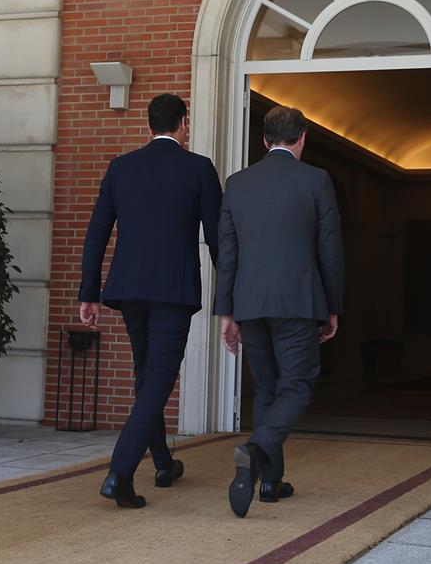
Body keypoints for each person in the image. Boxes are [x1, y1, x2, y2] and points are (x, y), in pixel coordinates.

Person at [79, 93, 222, 509]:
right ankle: (119, 473)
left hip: (128, 289)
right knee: (159, 380)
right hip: (173, 291)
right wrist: (233, 293)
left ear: (148, 126)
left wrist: (88, 293)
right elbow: (217, 238)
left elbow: (96, 233)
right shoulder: (198, 168)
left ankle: (162, 462)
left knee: (147, 376)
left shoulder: (121, 167)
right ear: (183, 124)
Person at [214, 105, 343, 518]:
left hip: (250, 302)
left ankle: (269, 482)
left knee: (268, 388)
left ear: (264, 140)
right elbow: (330, 250)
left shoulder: (237, 184)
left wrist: (227, 312)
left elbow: (227, 253)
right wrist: (332, 307)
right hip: (297, 302)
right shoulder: (317, 180)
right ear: (302, 137)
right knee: (300, 382)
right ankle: (255, 452)